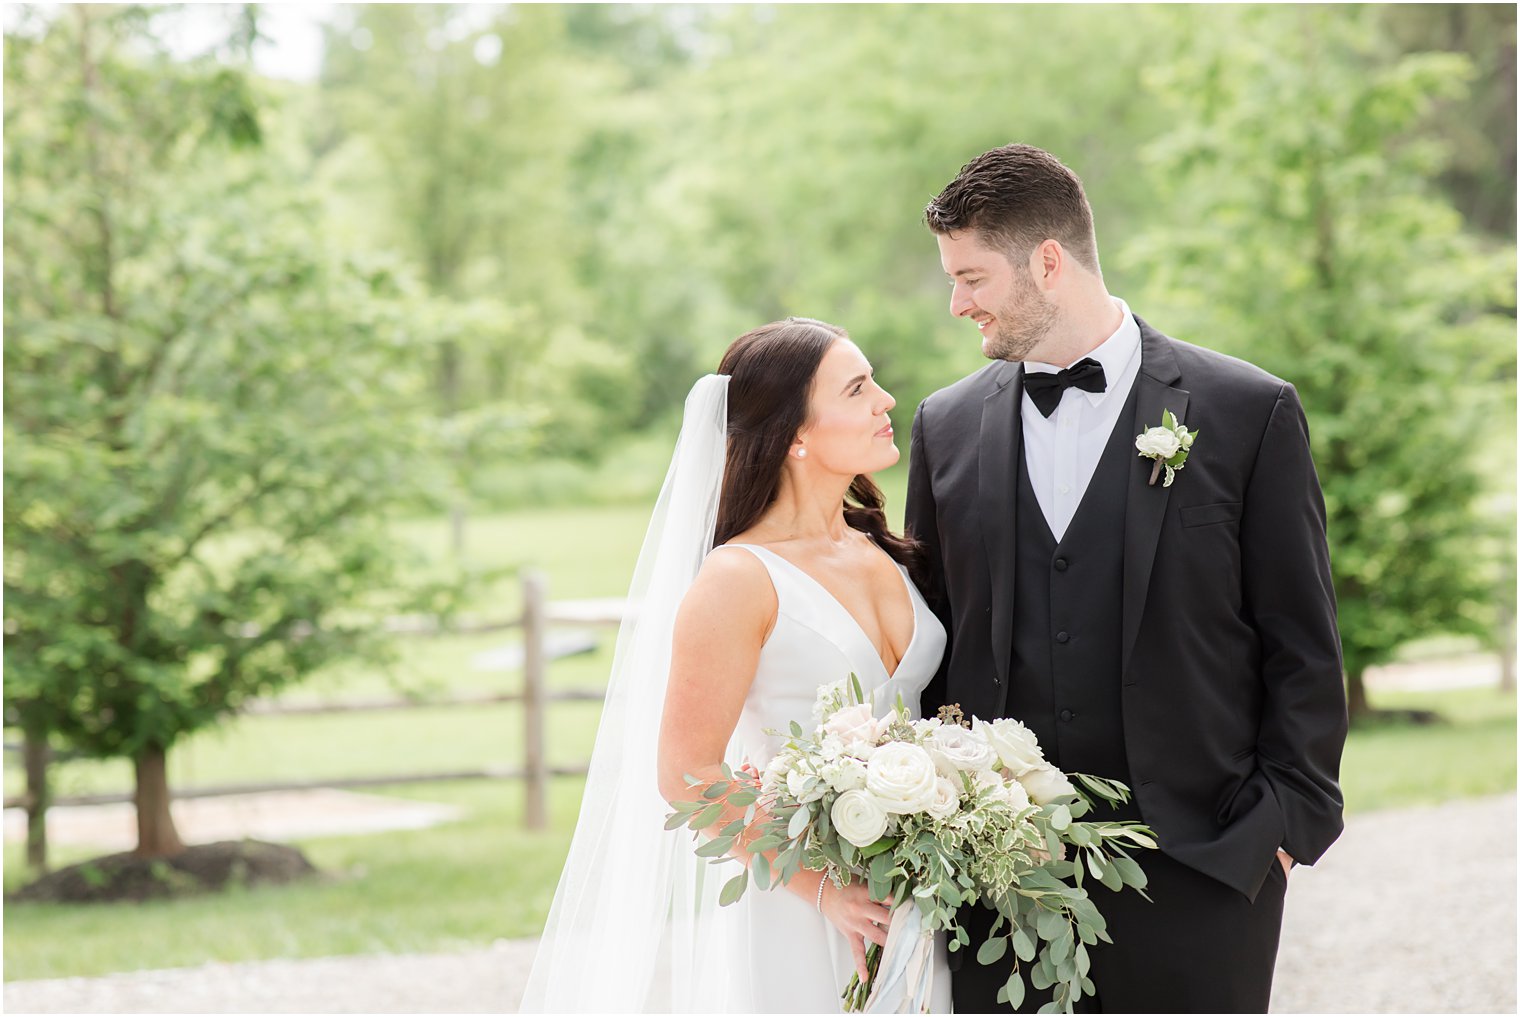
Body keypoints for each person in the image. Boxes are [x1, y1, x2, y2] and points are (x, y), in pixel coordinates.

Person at [904, 144, 1348, 1013]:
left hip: (1205, 864)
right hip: (1004, 880)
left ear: (1047, 261)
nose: (958, 304)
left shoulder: (1246, 410)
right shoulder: (945, 426)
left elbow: (1303, 638)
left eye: (972, 277)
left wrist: (1281, 828)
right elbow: (934, 638)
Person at [521, 318, 951, 1014]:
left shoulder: (887, 549)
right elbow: (688, 775)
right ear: (794, 435)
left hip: (920, 891)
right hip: (805, 903)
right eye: (857, 387)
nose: (886, 400)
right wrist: (826, 890)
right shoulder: (738, 578)